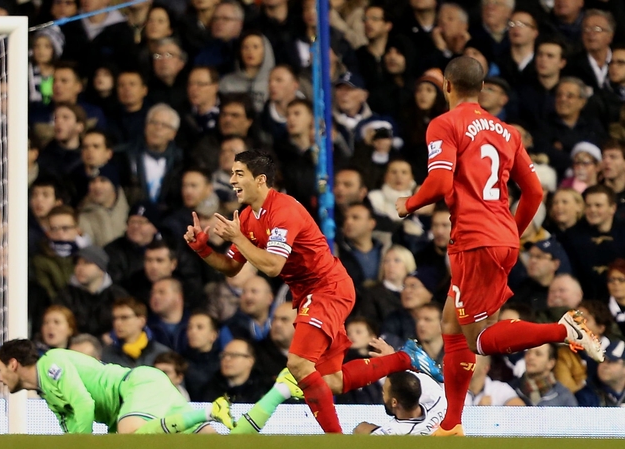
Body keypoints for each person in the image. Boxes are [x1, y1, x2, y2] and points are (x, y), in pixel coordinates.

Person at [394, 56, 605, 436]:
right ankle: (452, 423)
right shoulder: (507, 131)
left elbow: (440, 185)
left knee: (477, 340)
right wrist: (510, 231)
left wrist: (407, 204)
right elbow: (535, 191)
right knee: (450, 323)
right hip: (500, 236)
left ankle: (563, 331)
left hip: (475, 240)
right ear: (482, 89)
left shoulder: (445, 124)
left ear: (446, 85)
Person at [185, 150, 442, 433]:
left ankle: (335, 439)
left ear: (260, 180)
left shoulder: (284, 211)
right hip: (311, 292)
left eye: (238, 174)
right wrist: (202, 248)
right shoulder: (247, 218)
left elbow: (272, 266)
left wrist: (237, 238)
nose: (232, 180)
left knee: (298, 364)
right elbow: (232, 266)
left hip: (326, 288)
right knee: (331, 380)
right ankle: (406, 358)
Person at [0, 338, 312, 435]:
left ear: (12, 364)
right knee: (226, 444)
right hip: (153, 407)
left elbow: (84, 407)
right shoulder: (47, 393)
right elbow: (73, 427)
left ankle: (206, 411)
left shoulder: (52, 364)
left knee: (129, 437)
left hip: (136, 388)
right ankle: (282, 389)